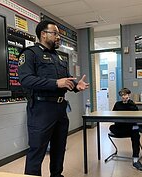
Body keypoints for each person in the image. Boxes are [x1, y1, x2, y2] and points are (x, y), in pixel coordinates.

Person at [18, 20, 89, 177]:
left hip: (60, 109)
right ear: (43, 34)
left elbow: (64, 82)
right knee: (37, 150)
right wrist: (56, 83)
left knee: (59, 147)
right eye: (55, 33)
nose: (58, 37)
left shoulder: (59, 58)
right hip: (41, 109)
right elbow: (26, 79)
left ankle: (57, 175)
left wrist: (76, 85)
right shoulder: (30, 54)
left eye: (58, 34)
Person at [109, 88, 142, 173]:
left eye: (125, 95)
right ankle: (140, 128)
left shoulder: (132, 104)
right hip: (120, 127)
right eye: (122, 95)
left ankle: (135, 160)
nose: (123, 97)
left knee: (135, 133)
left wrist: (129, 103)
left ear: (128, 95)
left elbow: (136, 114)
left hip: (130, 127)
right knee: (111, 127)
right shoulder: (117, 104)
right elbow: (113, 115)